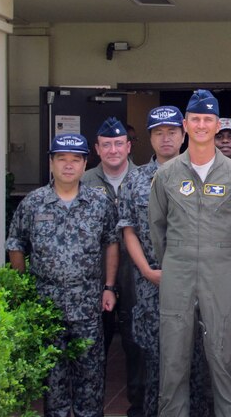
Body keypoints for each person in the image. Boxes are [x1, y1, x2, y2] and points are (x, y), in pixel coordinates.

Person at [149, 89, 231, 417]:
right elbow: (157, 228)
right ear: (185, 124)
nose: (202, 125)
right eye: (196, 119)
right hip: (177, 266)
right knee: (173, 359)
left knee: (224, 355)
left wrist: (220, 256)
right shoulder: (166, 175)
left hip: (221, 267)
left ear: (217, 124)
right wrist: (175, 259)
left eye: (208, 119)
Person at [7, 133, 119, 417]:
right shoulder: (34, 203)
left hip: (88, 305)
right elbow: (16, 243)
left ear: (84, 165)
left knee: (91, 380)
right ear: (51, 163)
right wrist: (23, 288)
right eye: (62, 159)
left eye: (75, 160)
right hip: (47, 306)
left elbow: (111, 243)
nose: (68, 166)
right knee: (53, 382)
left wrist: (109, 286)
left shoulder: (99, 202)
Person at [118, 106, 186, 417]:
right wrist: (146, 270)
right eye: (159, 132)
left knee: (195, 358)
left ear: (183, 135)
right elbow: (127, 229)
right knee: (153, 359)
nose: (166, 138)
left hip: (193, 282)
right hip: (151, 283)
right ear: (150, 138)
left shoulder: (198, 174)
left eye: (172, 131)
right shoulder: (134, 180)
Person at [83, 116, 144, 417]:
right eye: (106, 145)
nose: (113, 150)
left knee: (136, 343)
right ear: (97, 148)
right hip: (96, 275)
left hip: (135, 273)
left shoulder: (146, 179)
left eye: (119, 144)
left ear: (129, 146)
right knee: (94, 347)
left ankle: (138, 408)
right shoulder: (83, 182)